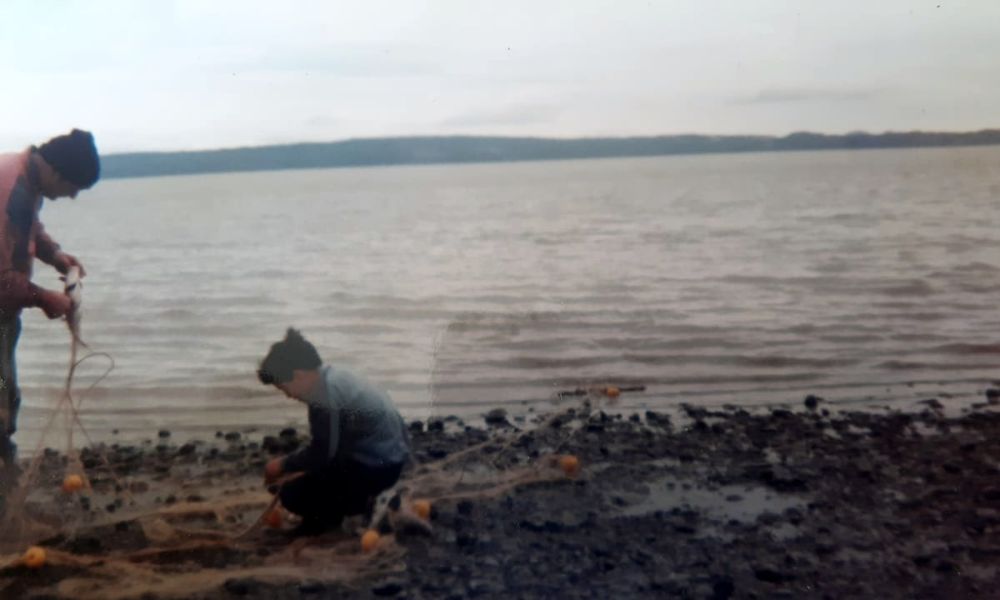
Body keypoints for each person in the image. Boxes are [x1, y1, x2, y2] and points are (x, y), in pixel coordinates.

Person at [0, 129, 100, 491]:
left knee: (5, 398)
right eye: (74, 187)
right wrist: (45, 298)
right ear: (57, 171)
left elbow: (28, 228)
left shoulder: (28, 183)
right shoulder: (9, 187)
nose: (72, 196)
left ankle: (7, 505)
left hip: (4, 317)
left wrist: (55, 255)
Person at [257, 328, 410, 534]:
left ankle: (349, 510)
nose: (288, 396)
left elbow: (323, 453)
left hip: (378, 468)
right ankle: (367, 498)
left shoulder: (323, 397)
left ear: (299, 375)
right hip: (391, 459)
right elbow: (331, 448)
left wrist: (282, 465)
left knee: (292, 494)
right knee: (305, 474)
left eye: (284, 388)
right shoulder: (334, 377)